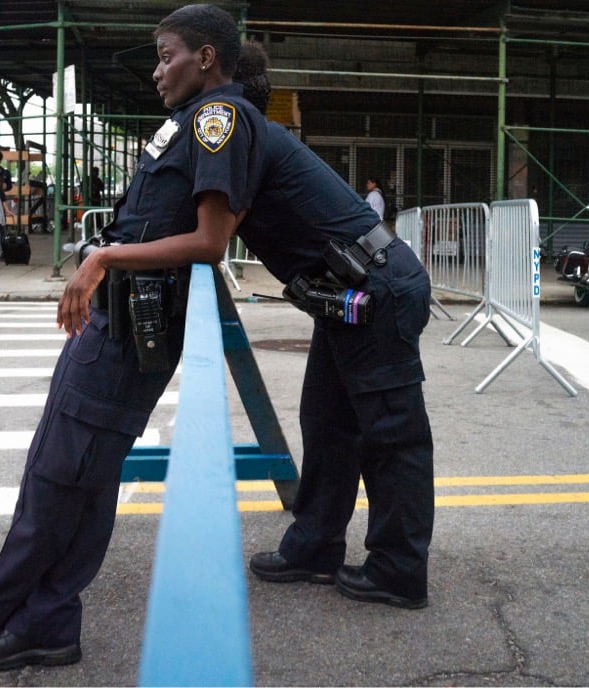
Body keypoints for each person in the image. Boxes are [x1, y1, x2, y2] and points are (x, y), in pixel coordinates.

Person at [0, 3, 267, 671]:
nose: (159, 70)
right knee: (78, 471)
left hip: (132, 324)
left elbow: (211, 240)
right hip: (121, 316)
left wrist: (104, 259)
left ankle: (2, 610)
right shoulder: (191, 120)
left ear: (208, 57)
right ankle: (41, 615)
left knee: (63, 471)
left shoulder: (219, 120)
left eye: (168, 55)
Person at [235, 41, 434, 609]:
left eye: (166, 57)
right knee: (326, 421)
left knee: (391, 438)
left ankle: (399, 569)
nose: (157, 72)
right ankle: (316, 545)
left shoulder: (241, 134)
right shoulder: (246, 135)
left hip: (378, 288)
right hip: (345, 295)